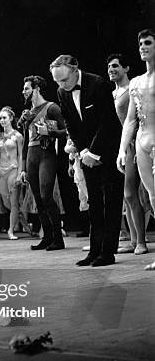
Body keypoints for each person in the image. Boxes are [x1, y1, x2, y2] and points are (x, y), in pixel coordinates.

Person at [51, 54, 124, 267]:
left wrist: (94, 152)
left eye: (64, 80)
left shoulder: (98, 84)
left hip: (108, 150)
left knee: (111, 202)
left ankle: (108, 252)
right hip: (86, 153)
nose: (62, 85)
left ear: (75, 70)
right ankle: (94, 250)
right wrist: (83, 152)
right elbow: (72, 125)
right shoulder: (61, 92)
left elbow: (108, 122)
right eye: (57, 81)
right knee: (94, 204)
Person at [117, 29, 155, 270]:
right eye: (140, 43)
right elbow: (131, 119)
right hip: (141, 140)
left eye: (148, 42)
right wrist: (122, 150)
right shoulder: (137, 82)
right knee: (152, 196)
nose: (143, 46)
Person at [18, 75, 67, 251]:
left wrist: (50, 132)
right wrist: (23, 168)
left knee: (46, 195)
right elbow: (25, 142)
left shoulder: (51, 108)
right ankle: (47, 237)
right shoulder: (27, 114)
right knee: (38, 199)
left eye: (27, 89)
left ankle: (58, 239)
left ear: (36, 89)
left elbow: (66, 131)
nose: (23, 92)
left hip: (46, 155)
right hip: (31, 156)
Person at [108, 53, 149, 257]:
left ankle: (141, 240)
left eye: (116, 66)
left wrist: (132, 146)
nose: (111, 69)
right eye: (109, 67)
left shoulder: (131, 89)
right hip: (119, 148)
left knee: (132, 194)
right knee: (126, 197)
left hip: (135, 144)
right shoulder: (112, 94)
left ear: (126, 68)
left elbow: (135, 119)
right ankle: (133, 240)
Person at [0, 106, 25, 240]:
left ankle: (11, 230)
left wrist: (20, 173)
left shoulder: (18, 136)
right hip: (1, 171)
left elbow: (21, 155)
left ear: (11, 118)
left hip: (13, 169)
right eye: (0, 118)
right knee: (6, 203)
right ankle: (21, 220)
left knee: (13, 202)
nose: (2, 120)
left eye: (4, 117)